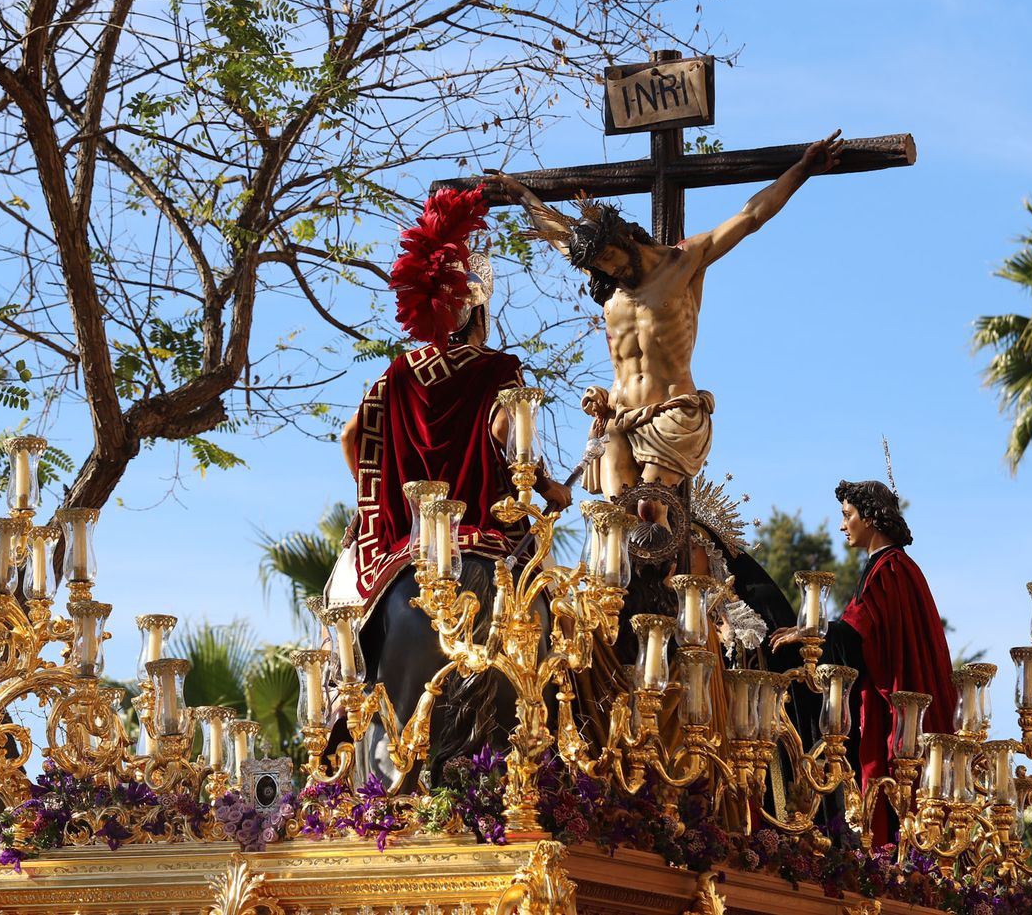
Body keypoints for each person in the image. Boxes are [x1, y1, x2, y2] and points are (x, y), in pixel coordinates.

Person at [322, 185, 570, 779]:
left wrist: (372, 505)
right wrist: (552, 490)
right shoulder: (498, 370)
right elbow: (514, 437)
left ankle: (337, 717)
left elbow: (349, 438)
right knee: (562, 649)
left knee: (338, 607)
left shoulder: (395, 374)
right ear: (478, 312)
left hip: (399, 554)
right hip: (480, 547)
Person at [487, 132, 844, 537]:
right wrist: (521, 195)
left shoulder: (684, 262)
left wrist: (802, 170)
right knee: (614, 528)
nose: (610, 271)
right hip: (618, 418)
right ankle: (621, 599)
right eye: (600, 267)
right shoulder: (609, 281)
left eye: (609, 258)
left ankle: (678, 585)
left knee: (648, 508)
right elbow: (557, 236)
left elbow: (750, 217)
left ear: (624, 239)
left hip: (673, 413)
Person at [770, 480, 956, 844]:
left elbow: (859, 633)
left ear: (869, 518)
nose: (842, 525)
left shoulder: (890, 570)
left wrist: (810, 633)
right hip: (891, 702)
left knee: (885, 791)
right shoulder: (892, 567)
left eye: (847, 515)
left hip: (894, 711)